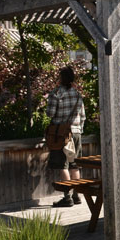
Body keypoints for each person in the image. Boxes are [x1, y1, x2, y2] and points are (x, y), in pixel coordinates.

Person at [46, 66, 86, 207]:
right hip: (76, 133)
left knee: (63, 165)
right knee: (75, 165)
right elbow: (83, 116)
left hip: (61, 134)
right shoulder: (77, 94)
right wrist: (78, 129)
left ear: (61, 78)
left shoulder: (56, 93)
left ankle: (67, 197)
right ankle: (77, 195)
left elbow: (50, 113)